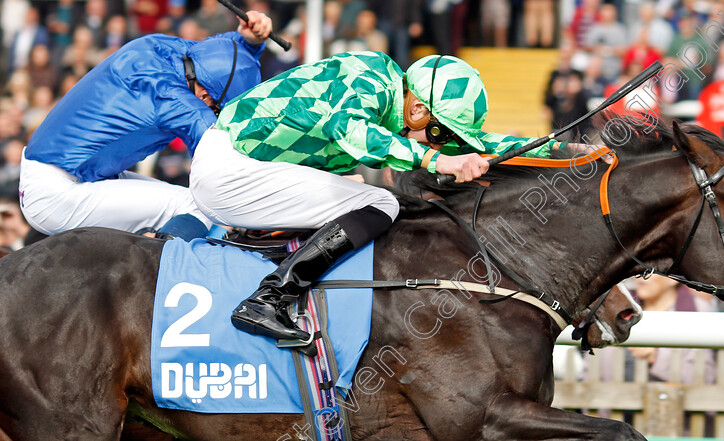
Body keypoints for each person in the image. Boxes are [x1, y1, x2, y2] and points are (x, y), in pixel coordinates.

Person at [189, 52, 575, 342]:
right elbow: (354, 132)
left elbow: (485, 143)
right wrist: (434, 158)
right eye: (441, 133)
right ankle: (269, 299)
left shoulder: (394, 95)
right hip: (230, 169)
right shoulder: (368, 78)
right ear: (419, 110)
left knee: (365, 193)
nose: (443, 143)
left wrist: (556, 149)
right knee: (380, 203)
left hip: (248, 169)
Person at [19, 11, 273, 241]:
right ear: (205, 95)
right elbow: (222, 155)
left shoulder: (162, 48)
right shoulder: (176, 101)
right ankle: (160, 279)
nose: (213, 113)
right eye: (217, 109)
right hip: (58, 193)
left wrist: (245, 41)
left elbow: (214, 54)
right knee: (199, 206)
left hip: (55, 173)